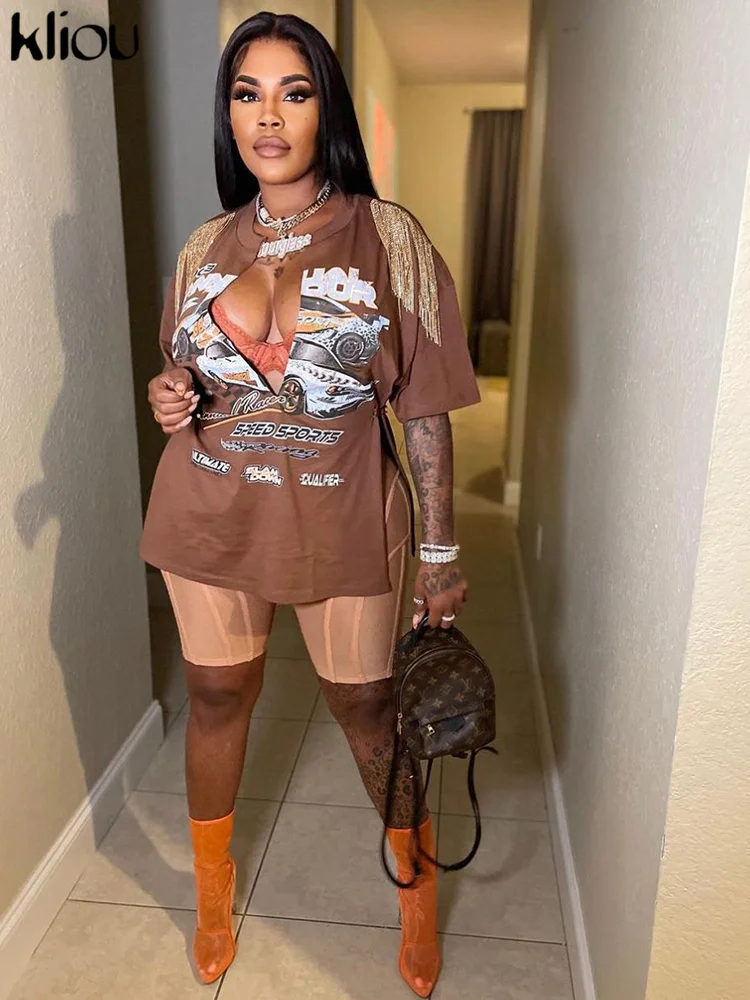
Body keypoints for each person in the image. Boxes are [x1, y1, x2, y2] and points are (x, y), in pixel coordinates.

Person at [140, 12, 480, 997]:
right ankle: (213, 896)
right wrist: (171, 395)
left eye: (293, 92)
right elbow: (185, 375)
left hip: (343, 510)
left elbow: (423, 406)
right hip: (211, 509)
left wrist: (441, 551)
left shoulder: (388, 236)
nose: (268, 116)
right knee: (215, 694)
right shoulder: (204, 246)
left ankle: (416, 893)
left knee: (367, 706)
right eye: (247, 94)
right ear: (228, 114)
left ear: (324, 107)